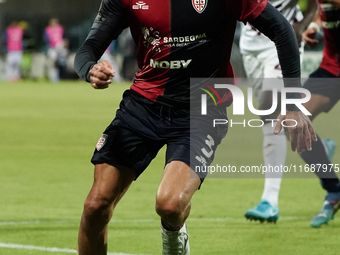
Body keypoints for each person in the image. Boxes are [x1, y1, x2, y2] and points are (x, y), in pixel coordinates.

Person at [74, 0, 316, 254]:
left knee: (170, 204)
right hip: (142, 107)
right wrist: (90, 69)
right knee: (95, 206)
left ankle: (174, 233)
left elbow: (281, 29)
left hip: (201, 112)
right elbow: (89, 48)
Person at [239, 0, 318, 223]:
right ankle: (317, 148)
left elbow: (315, 3)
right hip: (250, 47)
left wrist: (301, 27)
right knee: (268, 119)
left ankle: (270, 200)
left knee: (270, 108)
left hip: (282, 43)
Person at [300, 0, 340, 227]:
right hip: (332, 68)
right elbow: (321, 13)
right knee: (294, 122)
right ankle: (334, 190)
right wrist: (314, 26)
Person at [44, 18, 64, 82]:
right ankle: (54, 77)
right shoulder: (48, 29)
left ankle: (60, 76)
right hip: (52, 48)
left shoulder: (60, 28)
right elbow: (46, 39)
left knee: (60, 62)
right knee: (53, 62)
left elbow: (63, 37)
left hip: (59, 47)